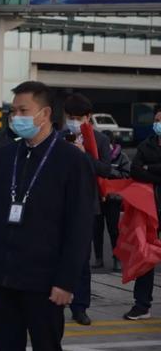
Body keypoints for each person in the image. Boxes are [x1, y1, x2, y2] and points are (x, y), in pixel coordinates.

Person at [0, 81, 95, 351]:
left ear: (45, 113)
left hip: (45, 283)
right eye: (13, 111)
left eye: (23, 110)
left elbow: (79, 227)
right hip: (1, 279)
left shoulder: (72, 161)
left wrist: (66, 281)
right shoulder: (4, 156)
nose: (16, 117)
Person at [63, 93, 112, 326]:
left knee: (81, 259)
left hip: (86, 206)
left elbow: (105, 169)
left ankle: (80, 306)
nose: (74, 122)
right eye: (70, 117)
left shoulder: (100, 140)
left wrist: (84, 155)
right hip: (59, 205)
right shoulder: (59, 137)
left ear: (88, 117)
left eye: (78, 118)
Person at [124, 107, 161, 321]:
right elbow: (135, 170)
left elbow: (144, 170)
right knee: (145, 256)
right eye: (156, 119)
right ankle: (141, 305)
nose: (157, 124)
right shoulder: (146, 144)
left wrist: (150, 168)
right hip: (149, 209)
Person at [95, 130, 130, 273]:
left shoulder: (121, 157)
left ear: (112, 143)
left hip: (113, 199)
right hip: (97, 198)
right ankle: (98, 258)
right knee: (96, 230)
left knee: (114, 230)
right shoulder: (95, 155)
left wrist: (109, 171)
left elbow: (127, 175)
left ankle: (117, 258)